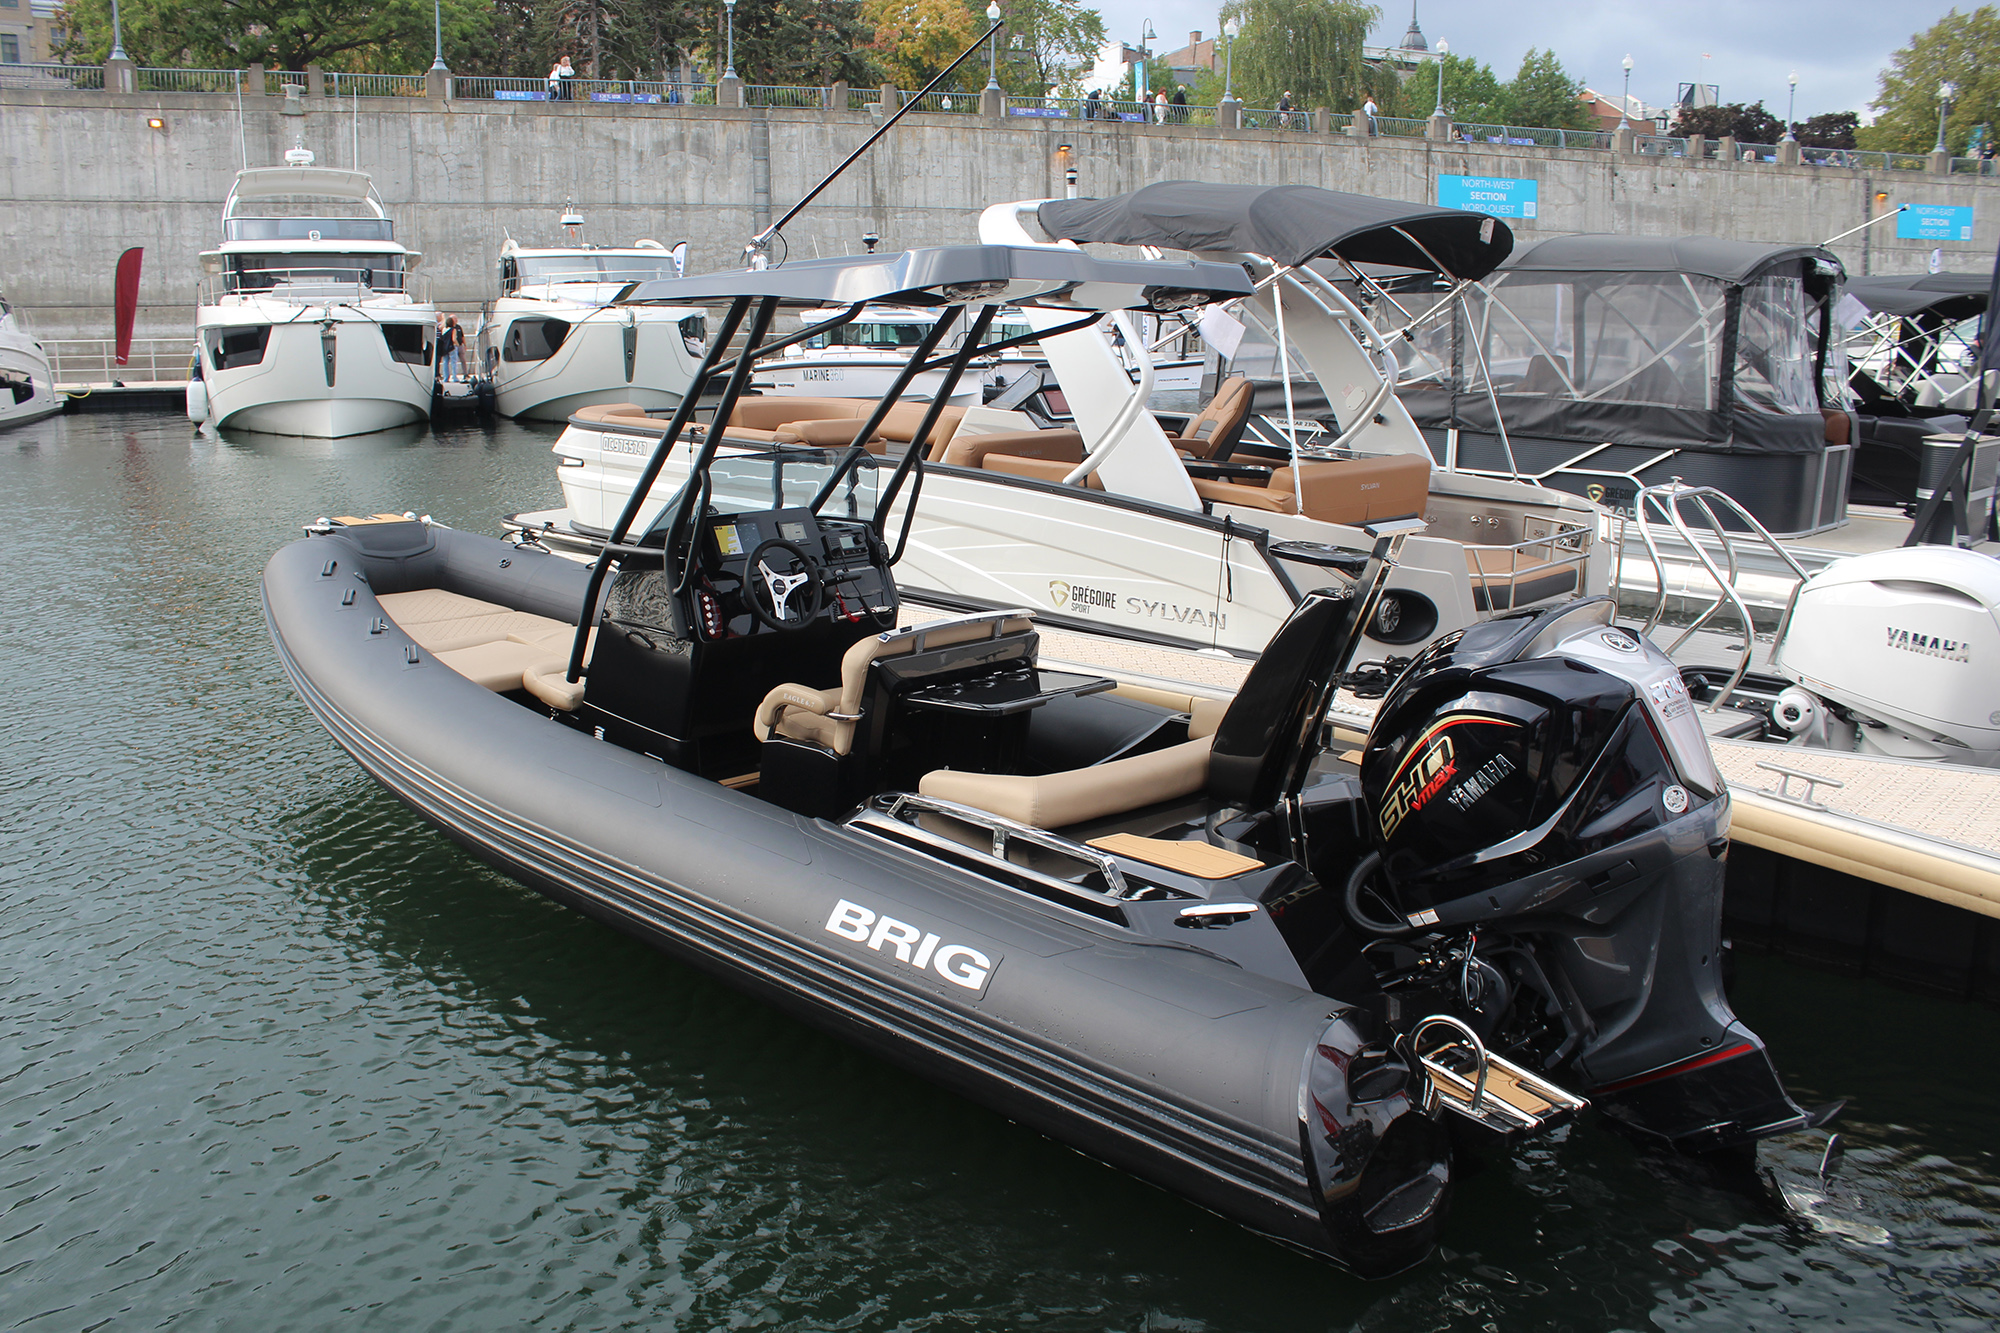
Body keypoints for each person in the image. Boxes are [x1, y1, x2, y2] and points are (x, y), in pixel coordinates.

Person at [443, 316, 465, 381]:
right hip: (452, 347)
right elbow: (454, 339)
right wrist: (458, 345)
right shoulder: (453, 329)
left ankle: (446, 377)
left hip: (445, 347)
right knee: (454, 362)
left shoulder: (444, 329)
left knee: (445, 362)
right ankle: (454, 377)